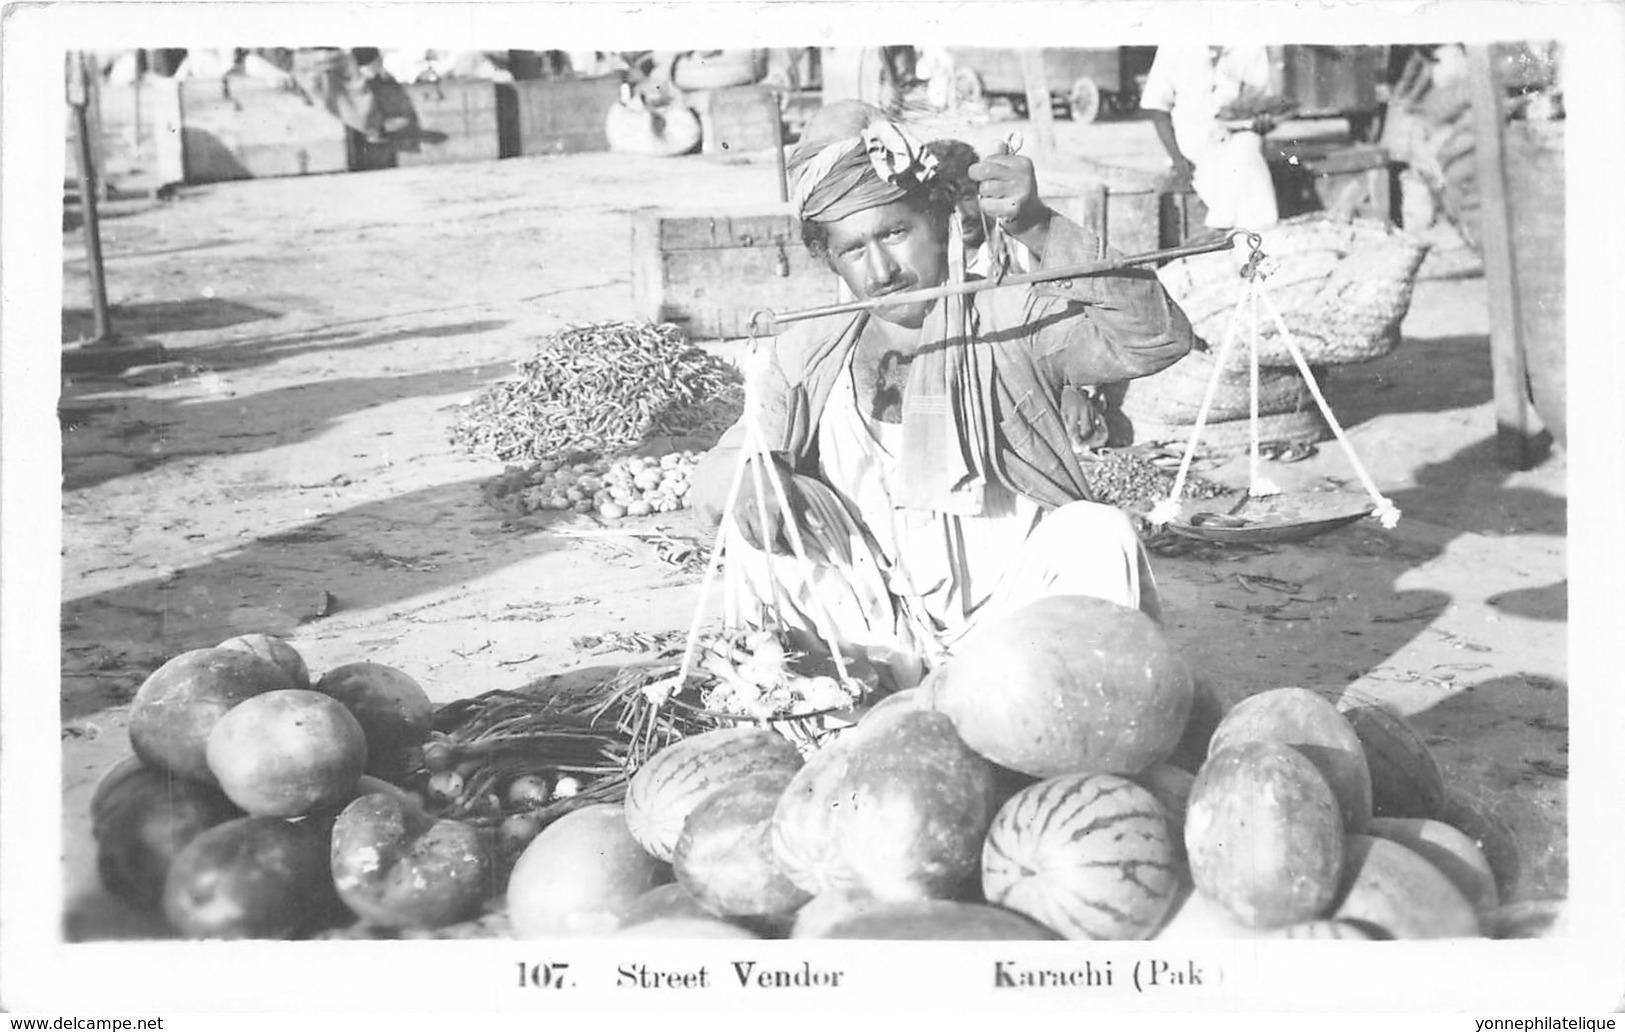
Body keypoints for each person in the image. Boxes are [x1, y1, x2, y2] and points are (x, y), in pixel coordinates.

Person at [689, 101, 1196, 691]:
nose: (881, 270)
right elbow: (717, 480)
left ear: (939, 222)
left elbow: (1158, 339)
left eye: (895, 233)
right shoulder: (808, 352)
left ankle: (1061, 734)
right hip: (880, 633)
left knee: (1098, 534)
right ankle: (823, 714)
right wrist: (752, 473)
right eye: (854, 249)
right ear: (830, 259)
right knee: (760, 518)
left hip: (1017, 632)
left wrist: (1038, 225)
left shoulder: (1010, 316)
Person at [1140, 45, 1286, 232]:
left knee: (1247, 154)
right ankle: (1235, 231)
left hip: (1236, 136)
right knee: (1235, 180)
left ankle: (1232, 228)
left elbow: (1257, 102)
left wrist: (1261, 120)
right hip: (1192, 145)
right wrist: (1177, 159)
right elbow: (1158, 109)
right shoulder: (1175, 45)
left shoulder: (1249, 44)